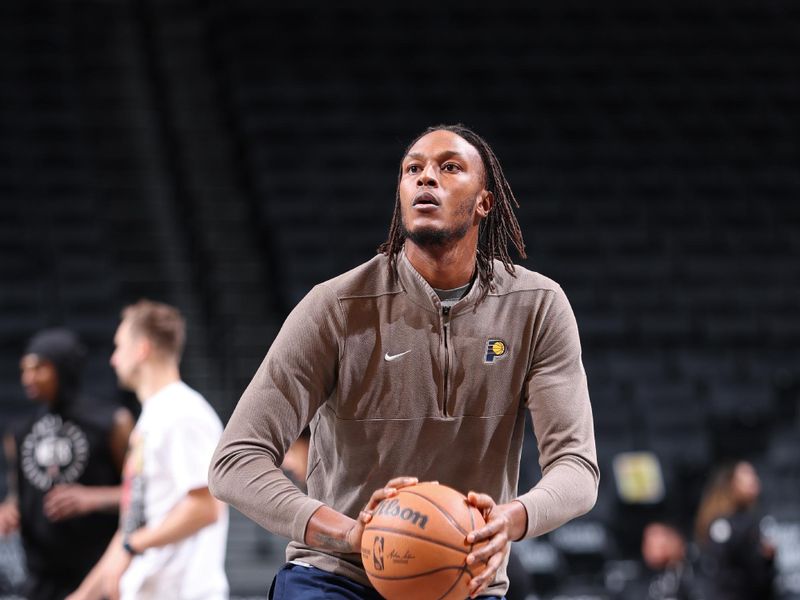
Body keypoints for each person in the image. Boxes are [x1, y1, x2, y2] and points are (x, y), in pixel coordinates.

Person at [209, 124, 599, 599]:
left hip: (466, 578)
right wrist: (348, 532)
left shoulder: (537, 306)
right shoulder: (336, 306)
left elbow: (577, 468)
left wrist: (511, 518)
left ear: (484, 202)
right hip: (338, 576)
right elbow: (234, 461)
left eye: (448, 167)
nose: (425, 178)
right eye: (412, 169)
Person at [68, 300, 229, 600]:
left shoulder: (182, 412)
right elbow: (134, 523)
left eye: (119, 347)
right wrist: (82, 595)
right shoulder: (154, 416)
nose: (113, 359)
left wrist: (133, 545)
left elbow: (206, 507)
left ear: (141, 349)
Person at [0, 328, 134, 600]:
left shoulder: (112, 422)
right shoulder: (18, 431)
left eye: (38, 368)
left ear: (63, 368)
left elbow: (141, 495)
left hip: (99, 577)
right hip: (38, 581)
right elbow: (17, 493)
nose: (28, 378)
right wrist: (9, 509)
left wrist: (93, 498)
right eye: (25, 369)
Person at [694, 460, 775, 600]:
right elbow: (721, 571)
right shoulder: (724, 525)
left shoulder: (751, 519)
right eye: (747, 475)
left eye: (754, 474)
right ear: (731, 483)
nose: (754, 480)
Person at [631, 521, 702, 600]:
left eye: (658, 537)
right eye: (648, 541)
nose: (653, 544)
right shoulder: (636, 578)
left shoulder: (690, 574)